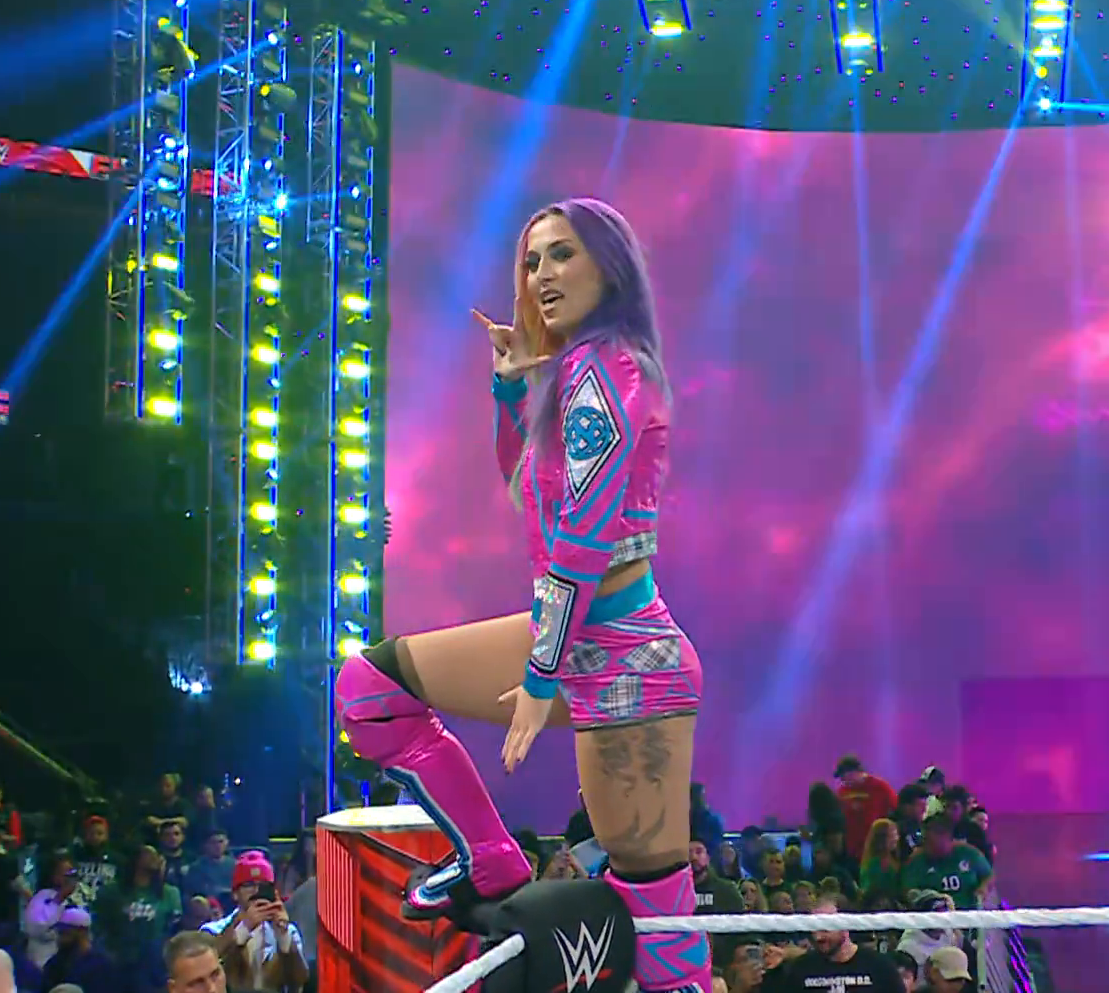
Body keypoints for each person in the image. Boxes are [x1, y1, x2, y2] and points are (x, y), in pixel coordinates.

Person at [335, 198, 710, 993]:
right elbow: (528, 495)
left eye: (562, 254)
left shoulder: (611, 368)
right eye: (532, 260)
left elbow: (585, 538)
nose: (541, 275)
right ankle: (490, 855)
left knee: (657, 924)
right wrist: (510, 392)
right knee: (371, 688)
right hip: (570, 634)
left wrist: (541, 680)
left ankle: (495, 854)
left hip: (625, 660)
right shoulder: (573, 374)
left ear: (609, 265)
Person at [761, 895, 904, 993]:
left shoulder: (879, 967)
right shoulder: (801, 969)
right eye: (814, 928)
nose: (818, 937)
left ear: (845, 924)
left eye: (825, 928)